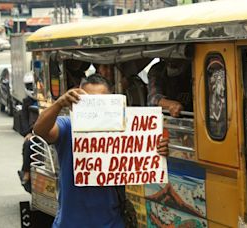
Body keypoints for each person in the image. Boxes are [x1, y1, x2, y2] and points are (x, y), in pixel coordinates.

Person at [33, 74, 169, 228]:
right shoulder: (67, 126)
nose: (95, 108)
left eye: (100, 102)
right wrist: (59, 104)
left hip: (112, 223)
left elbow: (144, 158)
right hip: (70, 223)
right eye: (89, 102)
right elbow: (39, 130)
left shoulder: (124, 131)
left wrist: (156, 150)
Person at [17, 72, 38, 193]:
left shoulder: (47, 98)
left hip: (51, 131)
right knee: (28, 144)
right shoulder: (26, 102)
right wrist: (28, 133)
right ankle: (26, 171)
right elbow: (24, 120)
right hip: (35, 134)